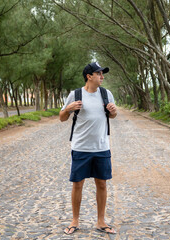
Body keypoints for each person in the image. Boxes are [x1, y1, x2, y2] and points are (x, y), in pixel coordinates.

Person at [59, 62, 117, 235]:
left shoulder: (107, 94)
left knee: (102, 184)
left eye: (102, 74)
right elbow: (62, 118)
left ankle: (101, 221)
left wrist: (113, 112)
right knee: (77, 184)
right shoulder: (75, 94)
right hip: (81, 147)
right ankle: (75, 220)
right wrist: (68, 109)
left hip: (101, 147)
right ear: (89, 76)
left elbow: (113, 115)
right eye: (99, 73)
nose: (102, 77)